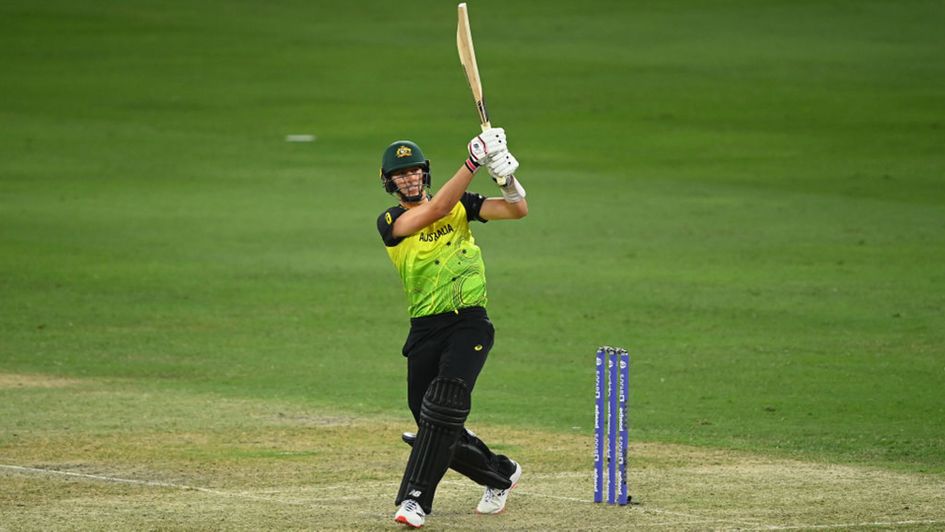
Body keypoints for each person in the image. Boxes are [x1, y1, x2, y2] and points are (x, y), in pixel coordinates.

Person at [376, 128, 528, 528]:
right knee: (430, 420)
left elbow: (517, 210)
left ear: (424, 173)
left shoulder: (462, 204)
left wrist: (505, 178)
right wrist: (473, 161)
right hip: (425, 327)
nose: (409, 178)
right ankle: (502, 472)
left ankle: (415, 500)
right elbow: (437, 210)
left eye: (414, 171)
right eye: (400, 174)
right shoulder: (391, 220)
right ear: (389, 182)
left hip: (469, 322)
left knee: (444, 406)